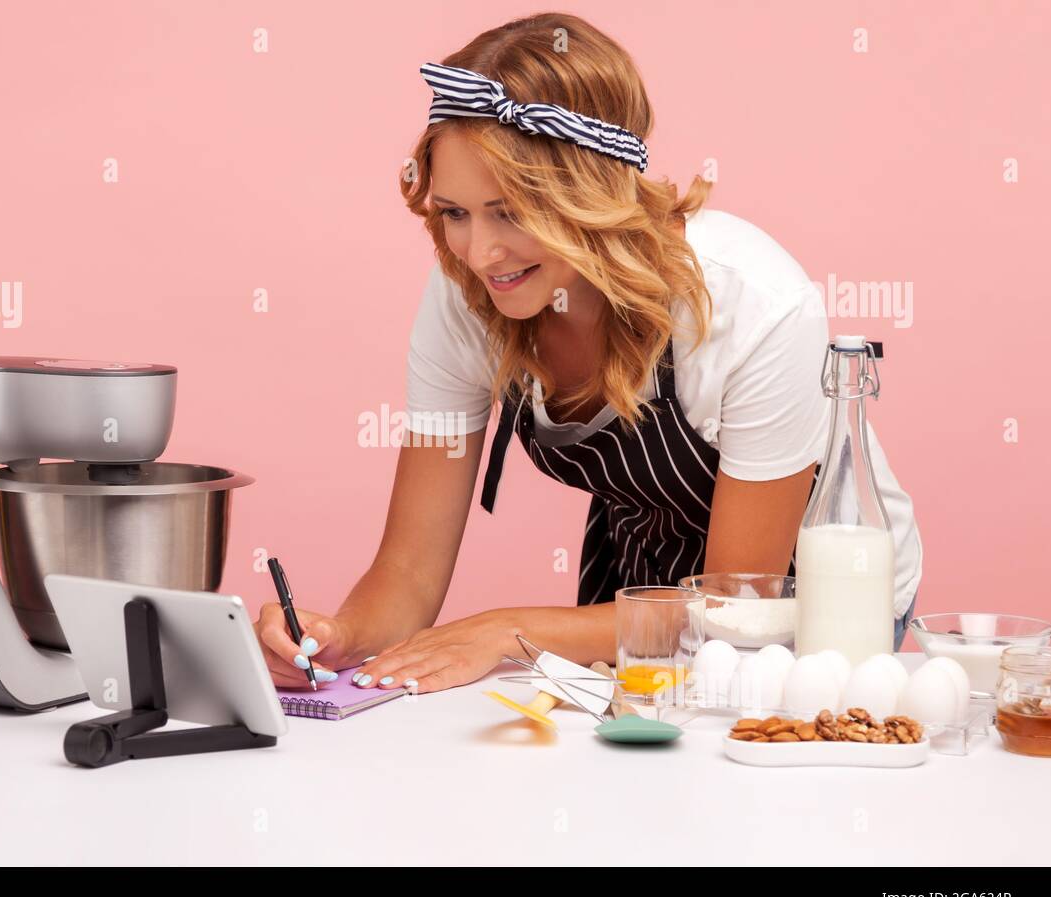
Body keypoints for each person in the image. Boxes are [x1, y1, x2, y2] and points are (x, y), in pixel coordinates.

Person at [254, 12, 921, 694]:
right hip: (631, 599)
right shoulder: (468, 293)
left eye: (510, 211)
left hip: (808, 616)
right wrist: (337, 637)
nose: (480, 253)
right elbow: (408, 574)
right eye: (454, 212)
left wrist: (505, 630)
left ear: (591, 193)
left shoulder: (752, 305)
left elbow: (733, 612)